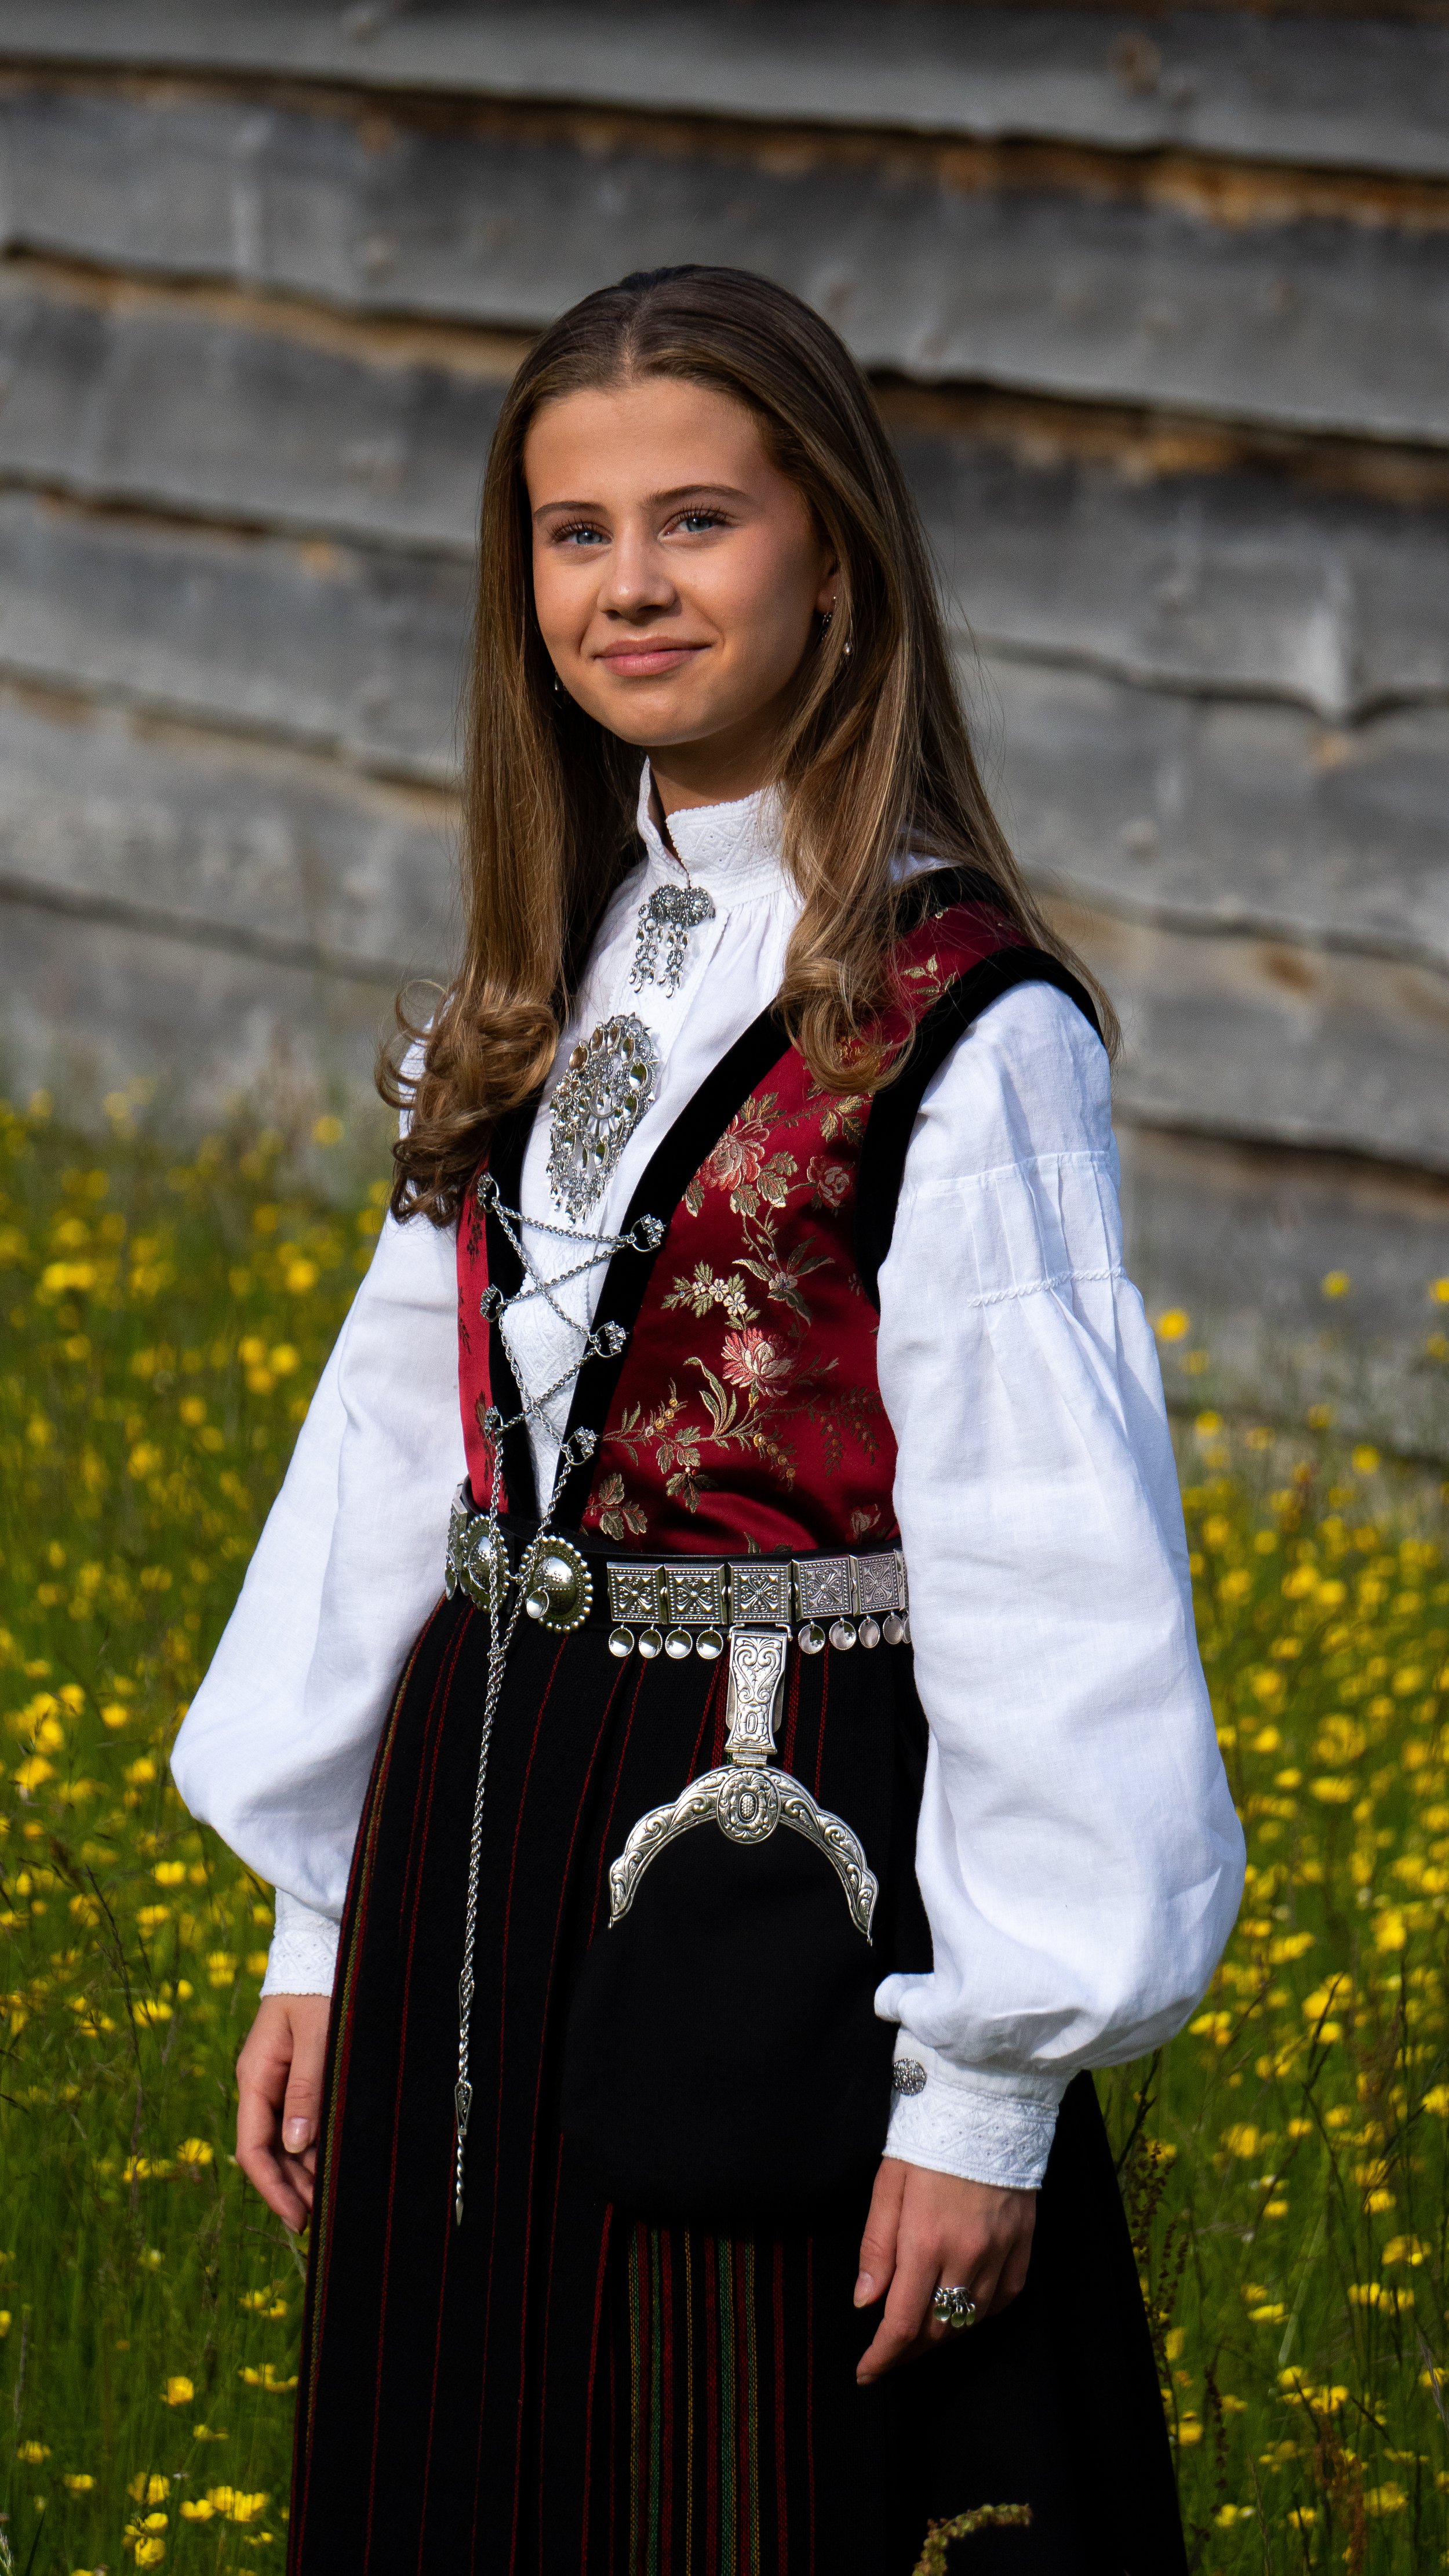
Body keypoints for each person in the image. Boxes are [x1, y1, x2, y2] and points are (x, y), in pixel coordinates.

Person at [172, 264, 1244, 2575]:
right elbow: (399, 1448)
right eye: (573, 533)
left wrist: (986, 2085)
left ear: (831, 557)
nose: (629, 585)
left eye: (696, 521)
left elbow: (1055, 1566)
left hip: (763, 1853)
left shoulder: (962, 1022)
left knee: (724, 2480)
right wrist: (313, 1918)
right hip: (478, 1808)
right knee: (468, 2465)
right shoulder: (537, 963)